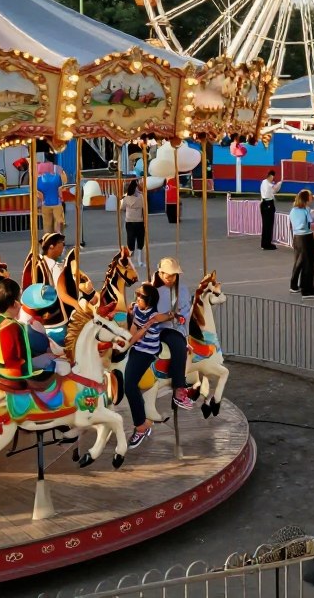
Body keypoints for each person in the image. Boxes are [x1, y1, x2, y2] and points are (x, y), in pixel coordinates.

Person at [123, 283, 186, 448]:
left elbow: (139, 334)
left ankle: (141, 426)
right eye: (137, 295)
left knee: (129, 385)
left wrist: (174, 315)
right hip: (136, 347)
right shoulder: (136, 308)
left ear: (149, 301)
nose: (137, 298)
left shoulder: (154, 316)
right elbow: (132, 329)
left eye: (140, 297)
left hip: (147, 351)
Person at [0, 278, 70, 391]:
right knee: (65, 368)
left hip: (5, 369)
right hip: (19, 372)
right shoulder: (13, 327)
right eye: (18, 300)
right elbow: (18, 360)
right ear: (14, 303)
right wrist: (44, 362)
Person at [149, 256, 195, 411]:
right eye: (168, 276)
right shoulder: (152, 290)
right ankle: (178, 388)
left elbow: (187, 310)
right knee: (177, 345)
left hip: (179, 327)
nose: (171, 279)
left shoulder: (182, 289)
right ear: (160, 274)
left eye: (174, 276)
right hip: (160, 328)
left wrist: (185, 329)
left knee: (185, 342)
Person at [289, 189, 314, 298]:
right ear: (306, 198)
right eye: (310, 196)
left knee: (301, 262)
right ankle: (306, 290)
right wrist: (312, 220)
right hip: (304, 238)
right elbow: (304, 225)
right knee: (307, 263)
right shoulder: (301, 211)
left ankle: (297, 285)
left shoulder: (300, 210)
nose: (312, 198)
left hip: (301, 237)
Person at [36, 162, 67, 235]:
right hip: (57, 203)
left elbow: (38, 193)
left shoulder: (39, 179)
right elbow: (63, 186)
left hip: (45, 204)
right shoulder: (57, 176)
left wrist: (38, 205)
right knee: (58, 222)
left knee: (47, 225)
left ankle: (48, 241)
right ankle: (59, 240)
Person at [121, 179, 146, 266]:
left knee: (131, 241)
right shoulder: (141, 197)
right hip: (139, 221)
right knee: (140, 241)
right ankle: (139, 261)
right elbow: (145, 206)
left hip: (130, 221)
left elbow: (122, 207)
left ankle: (131, 261)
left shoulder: (126, 198)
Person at [259, 170, 281, 250]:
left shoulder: (264, 183)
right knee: (268, 224)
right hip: (268, 203)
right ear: (271, 176)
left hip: (265, 203)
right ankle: (267, 244)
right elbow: (274, 189)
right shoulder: (267, 183)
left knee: (266, 225)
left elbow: (274, 190)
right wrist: (279, 184)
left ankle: (265, 243)